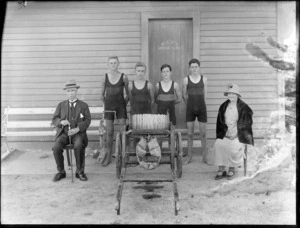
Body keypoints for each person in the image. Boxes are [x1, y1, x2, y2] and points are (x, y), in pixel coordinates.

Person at [52, 80, 91, 182]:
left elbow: (87, 120)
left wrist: (77, 129)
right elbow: (54, 119)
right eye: (68, 91)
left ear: (76, 91)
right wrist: (61, 121)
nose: (70, 93)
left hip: (78, 134)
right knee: (56, 147)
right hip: (64, 134)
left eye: (72, 91)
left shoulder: (83, 105)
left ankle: (80, 172)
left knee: (79, 145)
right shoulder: (61, 105)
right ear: (66, 92)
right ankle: (61, 172)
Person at [213, 84, 254, 180]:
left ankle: (232, 169)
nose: (231, 96)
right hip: (226, 133)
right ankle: (221, 169)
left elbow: (247, 123)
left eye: (233, 94)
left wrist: (237, 133)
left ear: (237, 95)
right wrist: (225, 132)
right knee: (218, 145)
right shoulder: (223, 106)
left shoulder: (244, 107)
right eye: (229, 93)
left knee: (234, 148)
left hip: (239, 135)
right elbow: (220, 123)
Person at [99, 56, 129, 167]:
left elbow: (128, 95)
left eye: (115, 63)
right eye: (111, 63)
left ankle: (123, 156)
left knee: (122, 132)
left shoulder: (124, 77)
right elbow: (101, 95)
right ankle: (108, 156)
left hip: (120, 106)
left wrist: (122, 104)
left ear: (118, 64)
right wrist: (107, 104)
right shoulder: (105, 77)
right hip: (109, 107)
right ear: (108, 64)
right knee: (110, 132)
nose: (113, 65)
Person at [182, 58, 208, 165]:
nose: (194, 69)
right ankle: (189, 156)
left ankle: (205, 157)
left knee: (203, 133)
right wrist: (190, 105)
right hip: (190, 108)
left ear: (199, 68)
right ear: (189, 69)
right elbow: (184, 95)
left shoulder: (204, 79)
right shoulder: (186, 80)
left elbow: (205, 94)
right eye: (192, 67)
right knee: (189, 134)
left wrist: (201, 104)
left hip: (202, 108)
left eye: (196, 67)